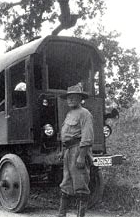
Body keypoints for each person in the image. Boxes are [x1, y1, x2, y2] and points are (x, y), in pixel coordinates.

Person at [57, 83, 94, 217]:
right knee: (66, 183)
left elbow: (87, 136)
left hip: (78, 150)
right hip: (68, 151)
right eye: (69, 97)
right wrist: (62, 151)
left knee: (81, 184)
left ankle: (81, 215)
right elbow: (65, 134)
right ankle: (61, 214)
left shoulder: (85, 114)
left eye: (74, 97)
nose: (71, 99)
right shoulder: (69, 114)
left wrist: (81, 156)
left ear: (80, 99)